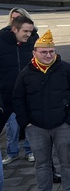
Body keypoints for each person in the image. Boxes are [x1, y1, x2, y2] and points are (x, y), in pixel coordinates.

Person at [13, 29, 70, 191]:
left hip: (63, 124)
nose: (48, 55)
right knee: (41, 163)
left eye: (51, 51)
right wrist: (25, 122)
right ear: (34, 53)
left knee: (67, 161)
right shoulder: (25, 73)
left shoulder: (68, 70)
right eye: (44, 52)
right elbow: (17, 98)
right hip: (36, 127)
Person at [1, 10, 36, 164]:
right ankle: (12, 152)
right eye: (25, 31)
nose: (28, 35)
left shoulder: (33, 40)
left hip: (27, 92)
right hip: (6, 93)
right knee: (12, 124)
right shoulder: (2, 40)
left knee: (29, 123)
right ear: (14, 28)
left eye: (30, 31)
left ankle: (30, 150)